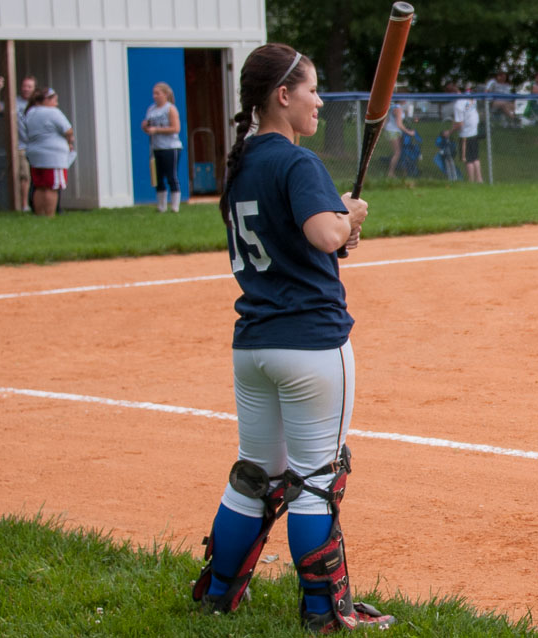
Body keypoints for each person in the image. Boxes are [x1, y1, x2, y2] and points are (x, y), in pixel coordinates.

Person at [190, 43, 395, 633]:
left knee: (257, 472)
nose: (319, 101)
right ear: (283, 95)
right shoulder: (296, 162)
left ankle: (219, 592)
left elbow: (297, 240)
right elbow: (323, 233)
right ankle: (323, 611)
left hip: (253, 342)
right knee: (316, 478)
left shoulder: (241, 162)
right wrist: (347, 218)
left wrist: (334, 228)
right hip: (309, 341)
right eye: (311, 89)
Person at [23, 87, 74, 218]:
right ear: (46, 100)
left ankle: (40, 215)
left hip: (35, 154)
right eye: (55, 100)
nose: (56, 104)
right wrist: (70, 141)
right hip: (53, 155)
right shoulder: (53, 112)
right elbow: (68, 130)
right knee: (52, 187)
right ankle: (50, 215)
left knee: (40, 186)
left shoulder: (30, 112)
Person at [142, 82, 183, 212]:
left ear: (165, 94)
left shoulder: (170, 108)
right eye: (153, 93)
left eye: (157, 93)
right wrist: (145, 127)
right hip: (156, 147)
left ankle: (175, 206)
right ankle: (161, 206)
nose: (154, 96)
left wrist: (157, 130)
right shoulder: (151, 109)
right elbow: (148, 126)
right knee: (158, 177)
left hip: (170, 147)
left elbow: (176, 128)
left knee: (171, 176)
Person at [442, 80, 482, 183]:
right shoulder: (469, 96)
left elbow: (460, 124)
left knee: (468, 159)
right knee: (475, 157)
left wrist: (449, 132)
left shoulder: (458, 104)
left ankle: (471, 180)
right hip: (474, 131)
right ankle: (479, 179)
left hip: (465, 134)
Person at [16, 75, 36, 211]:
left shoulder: (38, 105)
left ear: (34, 89)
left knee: (38, 176)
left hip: (37, 146)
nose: (26, 89)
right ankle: (24, 206)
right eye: (24, 86)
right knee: (25, 176)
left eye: (29, 86)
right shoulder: (14, 102)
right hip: (21, 146)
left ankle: (37, 204)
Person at [384, 100, 415, 178]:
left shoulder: (394, 107)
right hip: (393, 132)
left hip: (394, 131)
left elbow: (388, 119)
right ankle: (390, 173)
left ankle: (403, 170)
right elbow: (399, 124)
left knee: (399, 152)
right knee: (397, 153)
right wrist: (409, 132)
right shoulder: (398, 109)